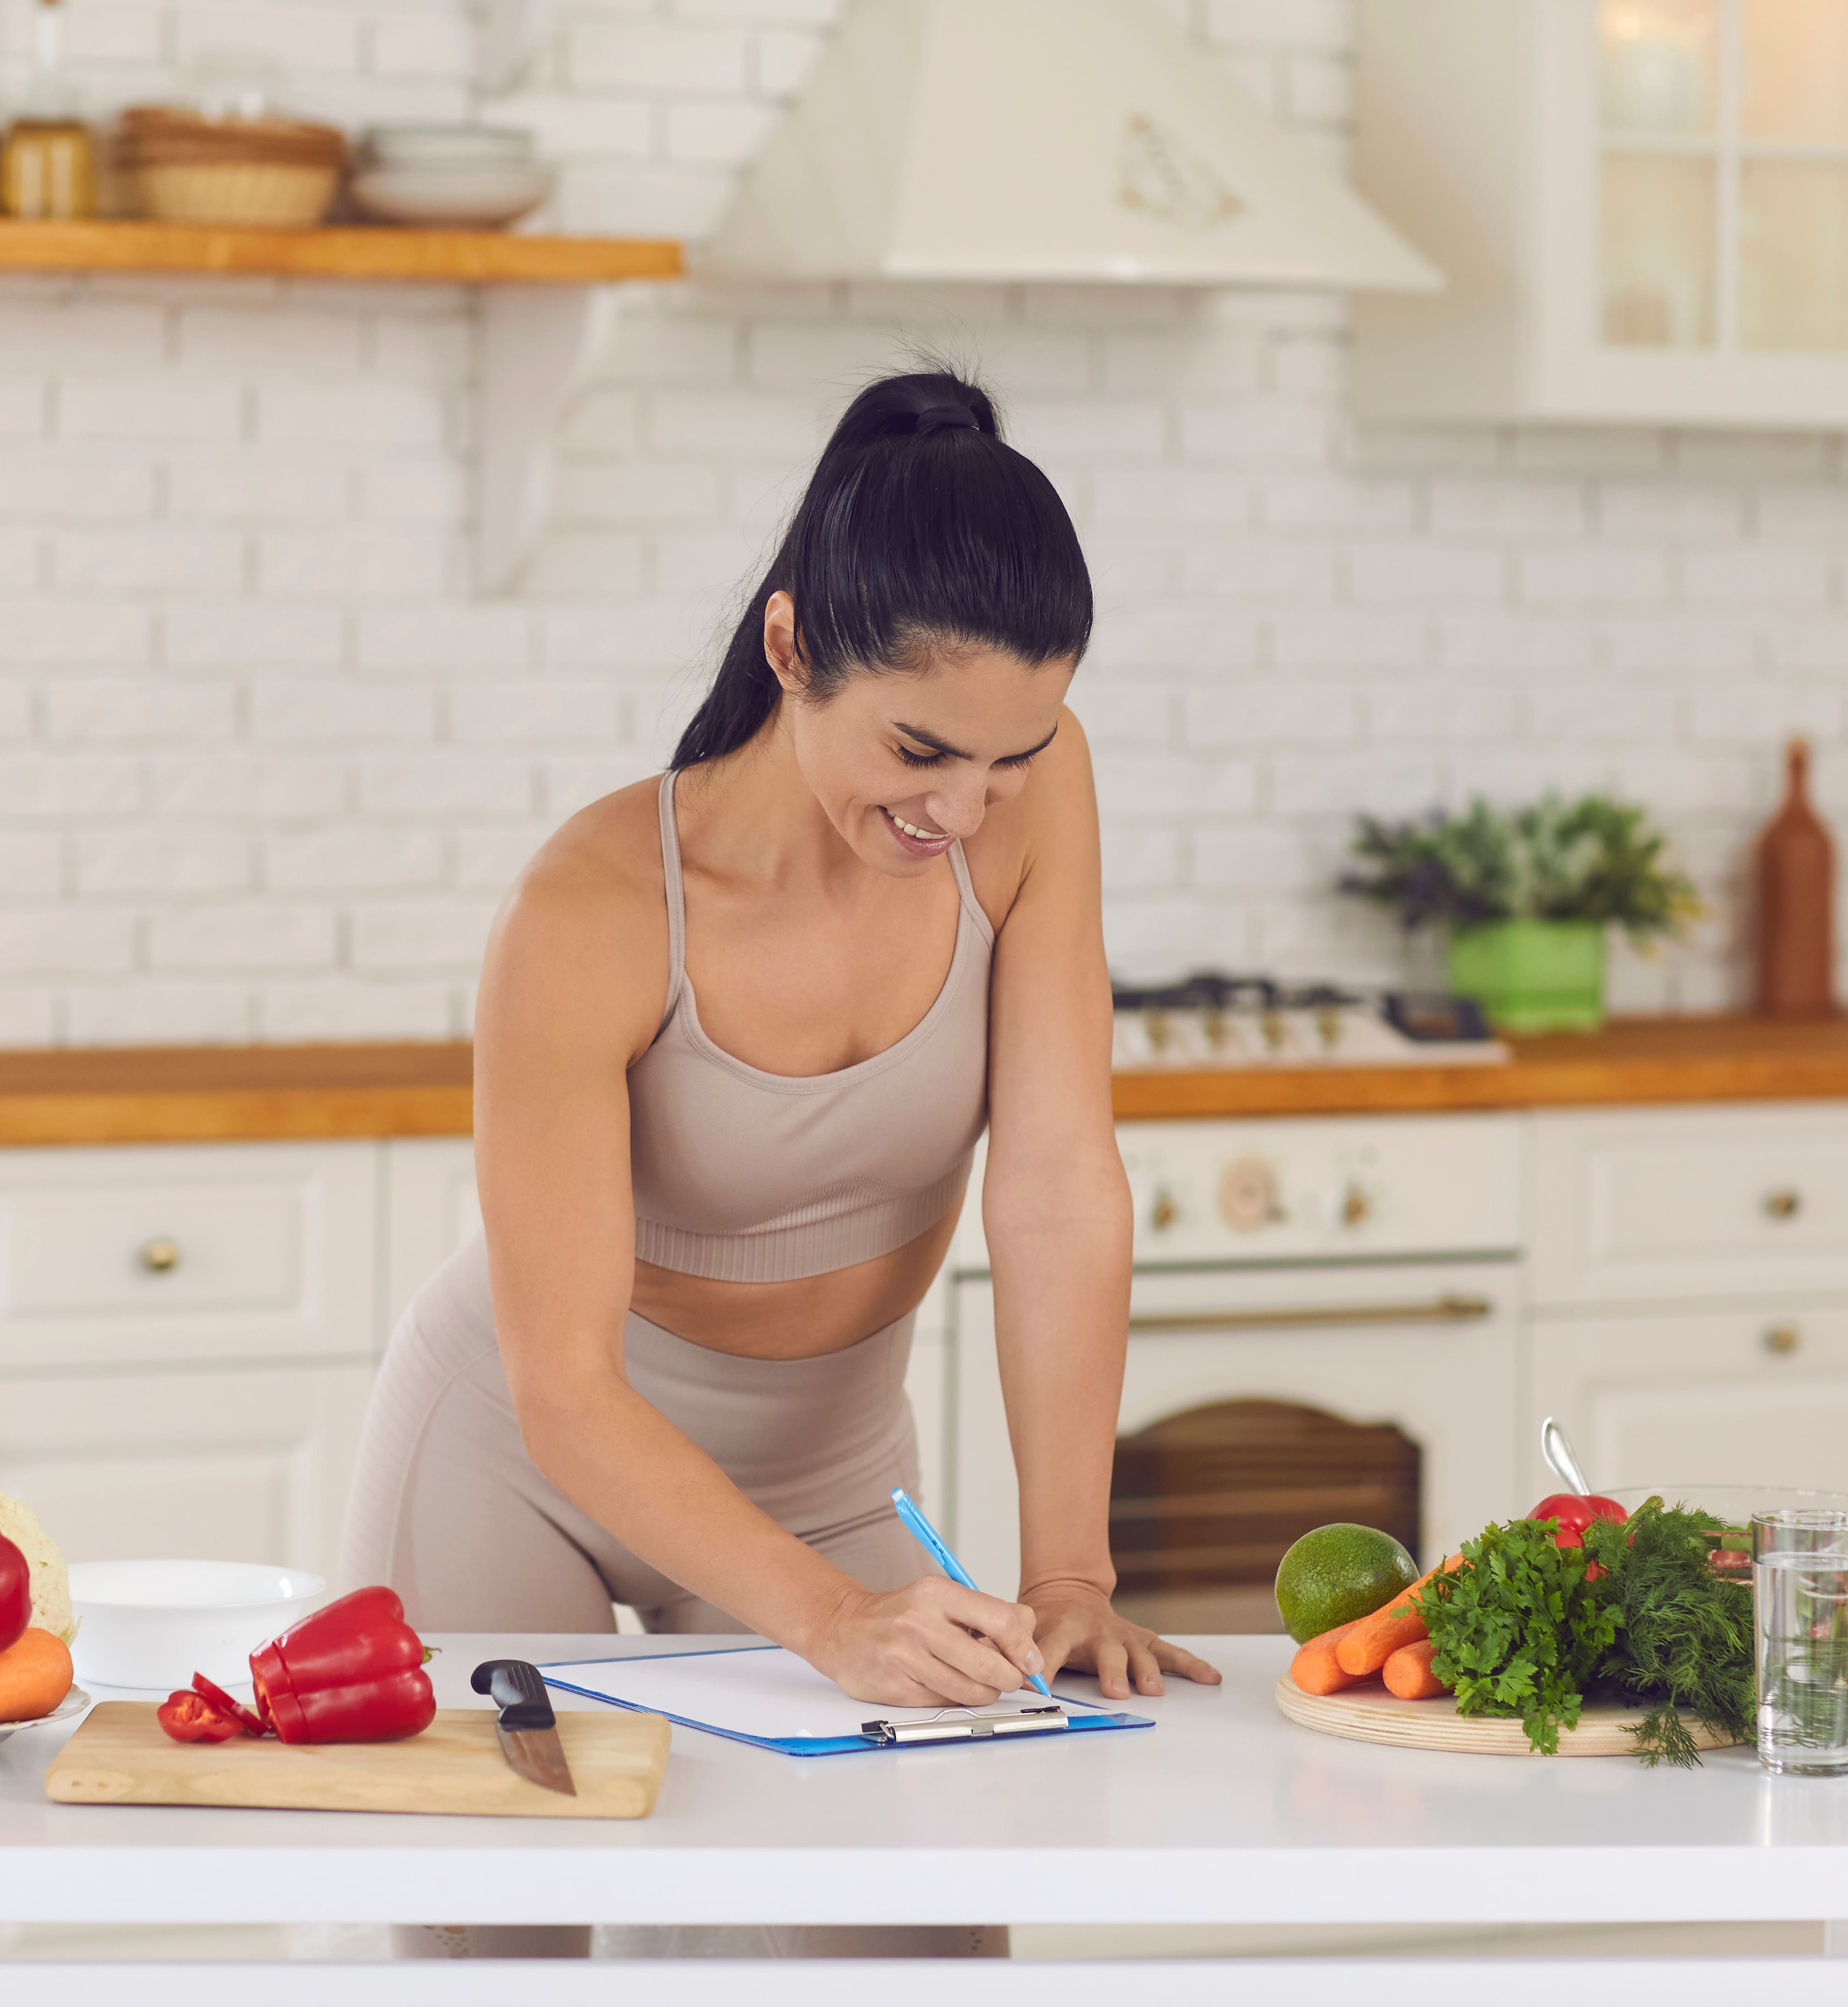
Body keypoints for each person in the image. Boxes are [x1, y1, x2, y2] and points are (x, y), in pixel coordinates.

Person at [342, 365, 1219, 1729]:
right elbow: (564, 1388)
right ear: (792, 646)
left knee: (910, 1863)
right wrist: (834, 1621)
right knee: (502, 1865)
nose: (964, 809)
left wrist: (1070, 1574)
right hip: (518, 1467)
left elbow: (1056, 1184)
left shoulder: (1032, 800)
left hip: (833, 1481)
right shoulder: (592, 910)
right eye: (921, 751)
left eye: (1010, 759)